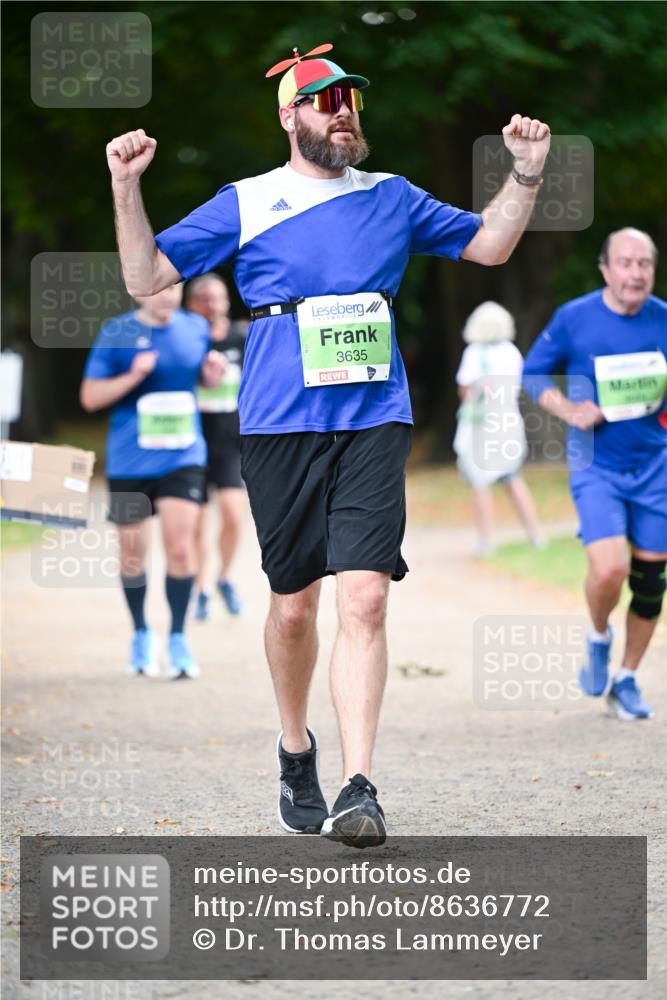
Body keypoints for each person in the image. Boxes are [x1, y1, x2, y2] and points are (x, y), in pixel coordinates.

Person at [105, 43, 551, 846]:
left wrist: (524, 172)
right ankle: (294, 744)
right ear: (290, 116)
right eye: (323, 100)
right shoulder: (247, 200)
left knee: (367, 597)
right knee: (292, 606)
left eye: (349, 99)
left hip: (374, 418)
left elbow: (488, 245)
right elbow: (144, 279)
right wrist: (124, 188)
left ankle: (358, 784)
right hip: (280, 421)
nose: (341, 109)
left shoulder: (392, 196)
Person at [523, 228, 667, 720]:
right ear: (605, 268)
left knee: (650, 583)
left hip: (654, 466)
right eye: (626, 263)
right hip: (596, 464)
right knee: (610, 569)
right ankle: (599, 633)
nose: (635, 273)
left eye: (644, 264)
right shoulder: (575, 317)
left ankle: (625, 680)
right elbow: (534, 372)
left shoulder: (663, 320)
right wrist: (567, 409)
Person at [80, 285, 225, 679]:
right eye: (158, 289)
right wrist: (133, 375)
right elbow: (90, 398)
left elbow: (203, 382)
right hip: (130, 462)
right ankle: (141, 633)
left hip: (183, 456)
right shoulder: (116, 332)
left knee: (179, 549)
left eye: (175, 286)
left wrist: (210, 379)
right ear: (139, 292)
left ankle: (178, 636)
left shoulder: (195, 328)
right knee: (132, 554)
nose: (168, 295)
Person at [454, 301, 545, 556]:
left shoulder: (474, 352)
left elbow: (465, 389)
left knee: (480, 484)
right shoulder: (512, 352)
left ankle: (485, 541)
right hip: (508, 423)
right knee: (513, 479)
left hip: (482, 426)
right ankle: (536, 535)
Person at [185, 273, 247, 620]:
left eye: (218, 298)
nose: (212, 305)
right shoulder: (186, 339)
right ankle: (202, 587)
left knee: (234, 517)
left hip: (230, 443)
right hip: (193, 442)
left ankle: (223, 577)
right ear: (192, 304)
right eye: (204, 299)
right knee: (195, 524)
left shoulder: (242, 337)